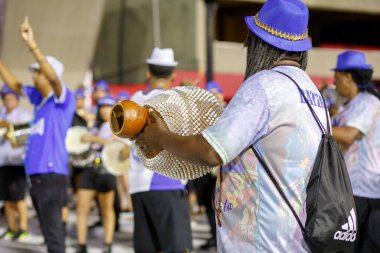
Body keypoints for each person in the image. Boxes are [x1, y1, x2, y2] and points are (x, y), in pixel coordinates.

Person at [136, 0, 327, 252]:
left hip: (261, 239)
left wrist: (161, 137)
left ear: (260, 44)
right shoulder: (312, 91)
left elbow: (211, 151)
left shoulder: (264, 86)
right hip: (296, 237)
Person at [0, 17, 75, 253]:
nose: (34, 76)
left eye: (37, 73)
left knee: (54, 237)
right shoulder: (39, 101)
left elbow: (53, 78)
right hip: (37, 175)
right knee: (48, 232)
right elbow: (13, 84)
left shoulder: (63, 100)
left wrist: (32, 46)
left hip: (51, 174)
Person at [129, 47, 193, 253]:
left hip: (138, 183)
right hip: (166, 182)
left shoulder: (135, 99)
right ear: (174, 75)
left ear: (148, 73)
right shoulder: (177, 100)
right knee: (177, 248)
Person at [331, 51, 380, 253]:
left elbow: (349, 135)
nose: (335, 83)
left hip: (365, 192)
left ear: (348, 77)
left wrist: (315, 126)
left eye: (337, 78)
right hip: (350, 190)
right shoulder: (350, 106)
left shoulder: (368, 102)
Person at [76, 94, 117, 253]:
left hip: (106, 170)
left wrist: (93, 139)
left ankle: (107, 244)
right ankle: (81, 244)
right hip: (90, 168)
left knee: (106, 209)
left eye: (108, 107)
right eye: (102, 107)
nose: (104, 110)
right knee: (81, 207)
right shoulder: (94, 126)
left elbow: (115, 143)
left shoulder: (116, 126)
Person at [0, 85, 32, 240]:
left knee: (18, 197)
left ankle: (23, 227)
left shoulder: (24, 115)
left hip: (17, 162)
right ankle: (11, 227)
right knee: (6, 197)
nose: (7, 101)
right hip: (3, 161)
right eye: (5, 98)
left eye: (10, 98)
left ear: (17, 100)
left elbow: (25, 138)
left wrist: (9, 131)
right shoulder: (1, 114)